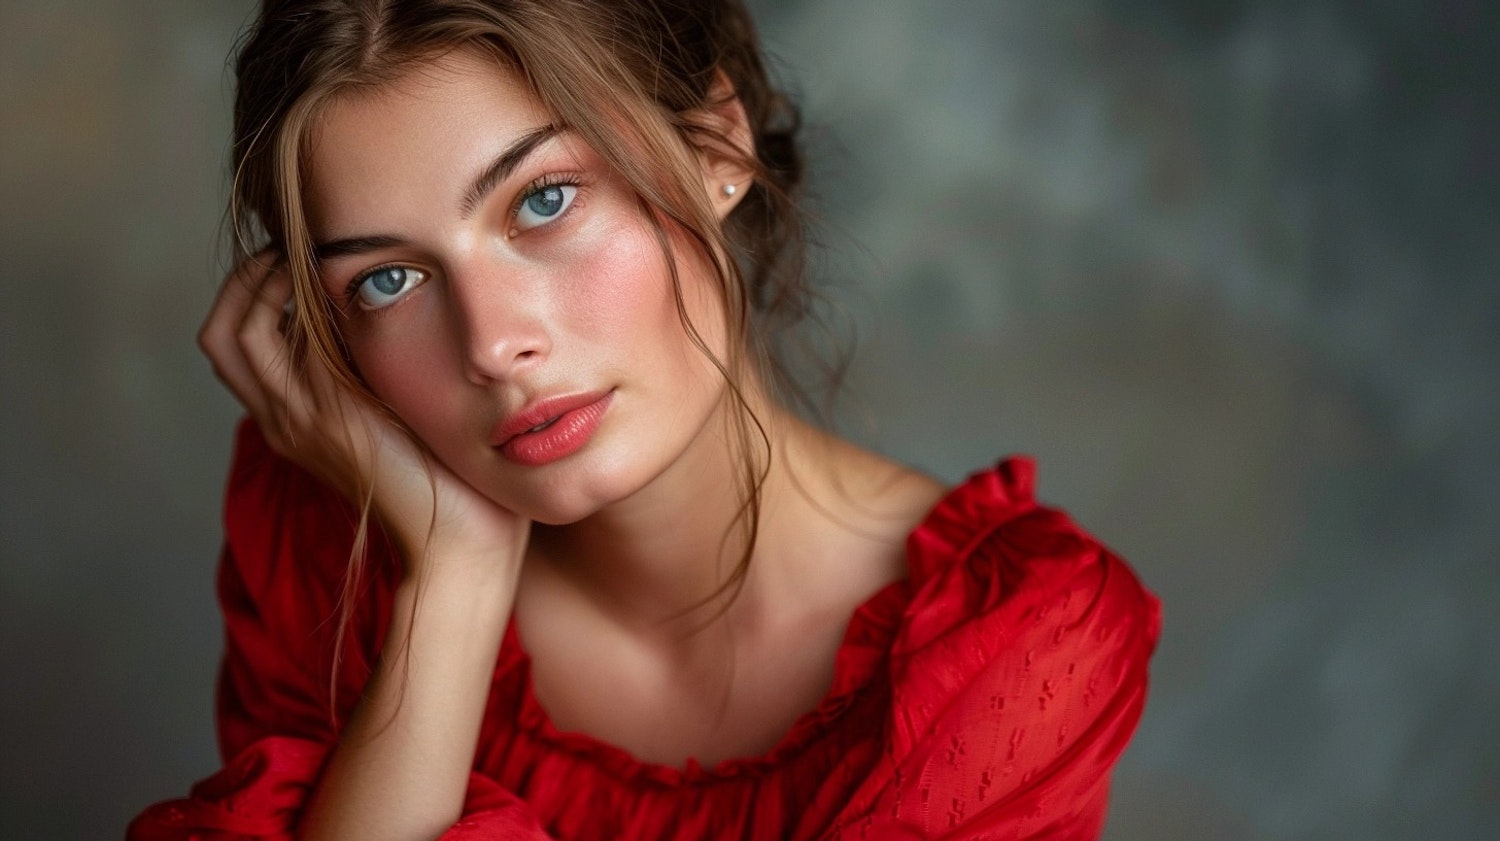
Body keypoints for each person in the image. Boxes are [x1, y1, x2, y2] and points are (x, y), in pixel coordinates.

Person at [129, 1, 1160, 838]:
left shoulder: (1014, 648)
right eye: (390, 278)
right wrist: (454, 582)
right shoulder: (328, 539)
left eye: (543, 201)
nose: (492, 345)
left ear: (717, 145)